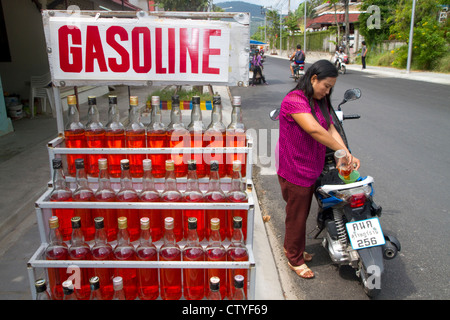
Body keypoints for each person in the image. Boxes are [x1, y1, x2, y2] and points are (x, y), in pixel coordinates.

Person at [276, 60, 360, 279]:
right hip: (295, 169)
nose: (328, 91)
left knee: (302, 212)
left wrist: (345, 152)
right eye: (326, 86)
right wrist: (344, 153)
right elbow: (314, 129)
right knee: (297, 215)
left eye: (331, 87)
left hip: (313, 166)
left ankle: (294, 247)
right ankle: (294, 258)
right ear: (313, 79)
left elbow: (330, 128)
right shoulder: (295, 100)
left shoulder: (319, 101)